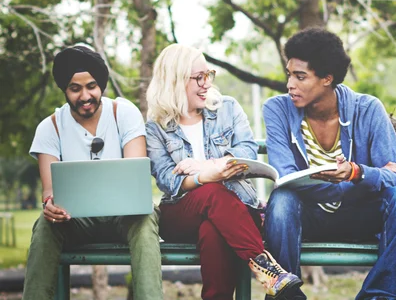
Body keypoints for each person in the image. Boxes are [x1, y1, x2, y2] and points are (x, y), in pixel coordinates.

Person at [263, 28, 396, 300]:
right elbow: (285, 177)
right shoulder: (277, 109)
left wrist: (356, 172)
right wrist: (353, 182)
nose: (290, 84)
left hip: (358, 215)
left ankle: (377, 296)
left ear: (327, 78)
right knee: (282, 200)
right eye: (289, 74)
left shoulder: (367, 109)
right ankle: (286, 296)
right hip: (307, 216)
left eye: (300, 77)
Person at [145, 43, 303, 300]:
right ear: (173, 80)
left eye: (208, 75)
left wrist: (207, 166)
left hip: (238, 208)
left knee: (213, 229)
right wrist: (207, 176)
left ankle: (265, 278)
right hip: (181, 213)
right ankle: (268, 269)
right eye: (198, 77)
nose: (206, 83)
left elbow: (248, 152)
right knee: (212, 192)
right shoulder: (156, 128)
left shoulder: (227, 108)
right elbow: (167, 180)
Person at [23, 44, 163, 300]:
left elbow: (135, 176)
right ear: (64, 90)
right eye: (75, 89)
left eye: (91, 86)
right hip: (76, 222)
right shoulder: (50, 128)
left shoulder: (124, 113)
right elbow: (49, 192)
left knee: (144, 219)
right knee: (45, 224)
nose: (85, 95)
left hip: (126, 219)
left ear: (101, 86)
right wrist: (50, 205)